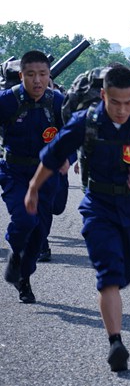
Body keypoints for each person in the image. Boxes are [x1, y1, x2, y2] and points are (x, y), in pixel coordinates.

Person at [25, 65, 130, 372]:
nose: (122, 110)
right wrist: (33, 188)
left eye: (129, 102)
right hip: (99, 206)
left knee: (126, 272)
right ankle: (115, 343)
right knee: (108, 274)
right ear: (104, 95)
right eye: (116, 102)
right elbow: (52, 157)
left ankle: (116, 318)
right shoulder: (86, 121)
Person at [1, 51, 66, 304]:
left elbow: (69, 135)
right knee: (25, 220)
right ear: (21, 76)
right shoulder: (7, 101)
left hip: (46, 176)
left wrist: (67, 158)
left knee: (39, 233)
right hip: (14, 172)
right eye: (31, 75)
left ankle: (23, 278)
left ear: (49, 76)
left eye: (42, 74)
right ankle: (15, 251)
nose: (37, 80)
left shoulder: (57, 102)